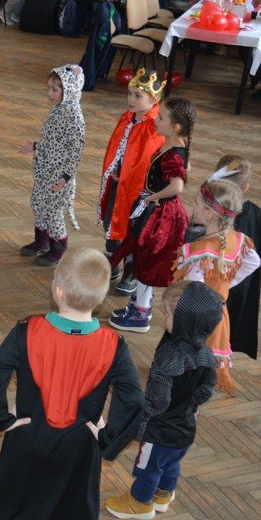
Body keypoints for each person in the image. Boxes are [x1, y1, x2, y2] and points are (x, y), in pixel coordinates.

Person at [0, 247, 144, 520]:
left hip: (29, 439)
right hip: (79, 447)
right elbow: (135, 401)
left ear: (58, 291)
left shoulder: (27, 331)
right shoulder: (114, 345)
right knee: (66, 502)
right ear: (99, 298)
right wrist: (106, 436)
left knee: (26, 502)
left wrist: (2, 419)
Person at [103, 280, 222, 520]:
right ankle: (164, 494)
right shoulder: (208, 355)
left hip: (160, 431)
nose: (164, 318)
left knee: (148, 467)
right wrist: (187, 403)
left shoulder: (168, 356)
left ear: (185, 323)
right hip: (186, 427)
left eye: (167, 314)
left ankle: (140, 503)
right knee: (171, 462)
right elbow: (206, 390)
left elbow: (158, 400)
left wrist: (142, 416)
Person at [108, 97, 195, 333]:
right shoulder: (175, 144)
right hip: (156, 210)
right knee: (142, 258)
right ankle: (138, 305)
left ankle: (141, 314)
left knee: (148, 261)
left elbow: (177, 186)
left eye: (161, 118)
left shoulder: (173, 153)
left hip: (162, 216)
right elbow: (185, 168)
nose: (156, 120)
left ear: (175, 126)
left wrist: (151, 197)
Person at [170, 176, 260, 394]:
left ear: (209, 214)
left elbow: (193, 290)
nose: (193, 206)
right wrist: (226, 283)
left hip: (196, 323)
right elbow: (254, 261)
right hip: (218, 314)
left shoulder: (198, 252)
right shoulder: (237, 240)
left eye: (196, 203)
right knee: (203, 369)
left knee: (190, 371)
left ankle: (188, 404)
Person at [99, 69, 167, 295]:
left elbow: (151, 160)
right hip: (118, 184)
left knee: (132, 230)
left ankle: (131, 271)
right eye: (129, 93)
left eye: (138, 96)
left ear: (153, 100)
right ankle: (113, 262)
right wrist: (115, 168)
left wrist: (134, 178)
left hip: (139, 191)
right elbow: (117, 147)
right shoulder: (127, 117)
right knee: (111, 222)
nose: (131, 99)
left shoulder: (155, 126)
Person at [213, 156, 261, 361]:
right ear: (246, 188)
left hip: (214, 282)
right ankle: (222, 359)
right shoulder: (260, 215)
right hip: (243, 282)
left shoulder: (210, 211)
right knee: (231, 326)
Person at [21, 64, 85, 267]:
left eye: (54, 89)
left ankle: (58, 250)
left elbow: (75, 152)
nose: (50, 93)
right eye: (49, 88)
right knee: (38, 203)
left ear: (69, 90)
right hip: (45, 170)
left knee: (53, 211)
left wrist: (65, 178)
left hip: (59, 176)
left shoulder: (74, 116)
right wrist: (35, 146)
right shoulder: (58, 108)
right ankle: (42, 241)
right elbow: (54, 141)